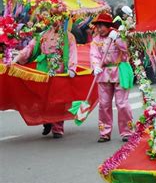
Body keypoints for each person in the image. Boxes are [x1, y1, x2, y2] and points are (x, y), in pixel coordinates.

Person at [12, 9, 78, 138]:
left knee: (57, 99)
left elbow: (72, 52)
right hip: (42, 68)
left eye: (57, 17)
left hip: (58, 69)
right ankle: (46, 120)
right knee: (42, 97)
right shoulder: (43, 34)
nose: (54, 20)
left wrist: (71, 68)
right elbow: (30, 48)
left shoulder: (68, 36)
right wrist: (16, 58)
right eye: (52, 17)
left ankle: (57, 127)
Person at [90, 13, 134, 142]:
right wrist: (95, 66)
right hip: (104, 73)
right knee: (104, 104)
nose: (99, 29)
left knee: (122, 104)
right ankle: (105, 132)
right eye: (98, 26)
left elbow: (126, 49)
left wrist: (117, 39)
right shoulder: (96, 40)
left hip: (120, 72)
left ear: (108, 26)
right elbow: (94, 54)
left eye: (102, 26)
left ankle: (127, 132)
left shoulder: (119, 35)